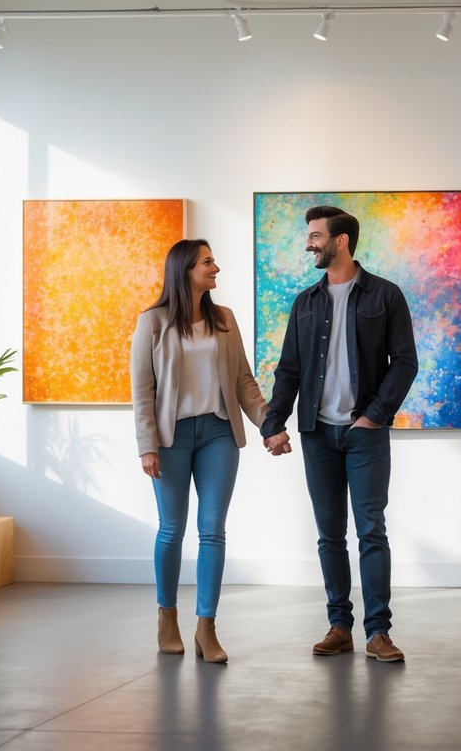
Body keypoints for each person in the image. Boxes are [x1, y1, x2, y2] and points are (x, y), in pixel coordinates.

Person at [262, 206, 418, 662]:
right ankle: (338, 626)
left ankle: (379, 633)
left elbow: (405, 362)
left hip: (364, 435)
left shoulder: (385, 296)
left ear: (341, 241)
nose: (308, 244)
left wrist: (374, 415)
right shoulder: (306, 303)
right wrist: (274, 423)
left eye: (315, 236)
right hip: (317, 434)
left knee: (371, 531)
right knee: (330, 535)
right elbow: (289, 369)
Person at [131, 238, 268, 663]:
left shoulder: (224, 319)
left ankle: (206, 627)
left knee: (212, 530)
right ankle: (166, 617)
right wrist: (146, 445)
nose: (216, 268)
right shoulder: (152, 322)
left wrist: (270, 426)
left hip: (219, 433)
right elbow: (142, 391)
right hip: (170, 439)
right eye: (208, 262)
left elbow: (243, 381)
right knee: (171, 528)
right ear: (186, 269)